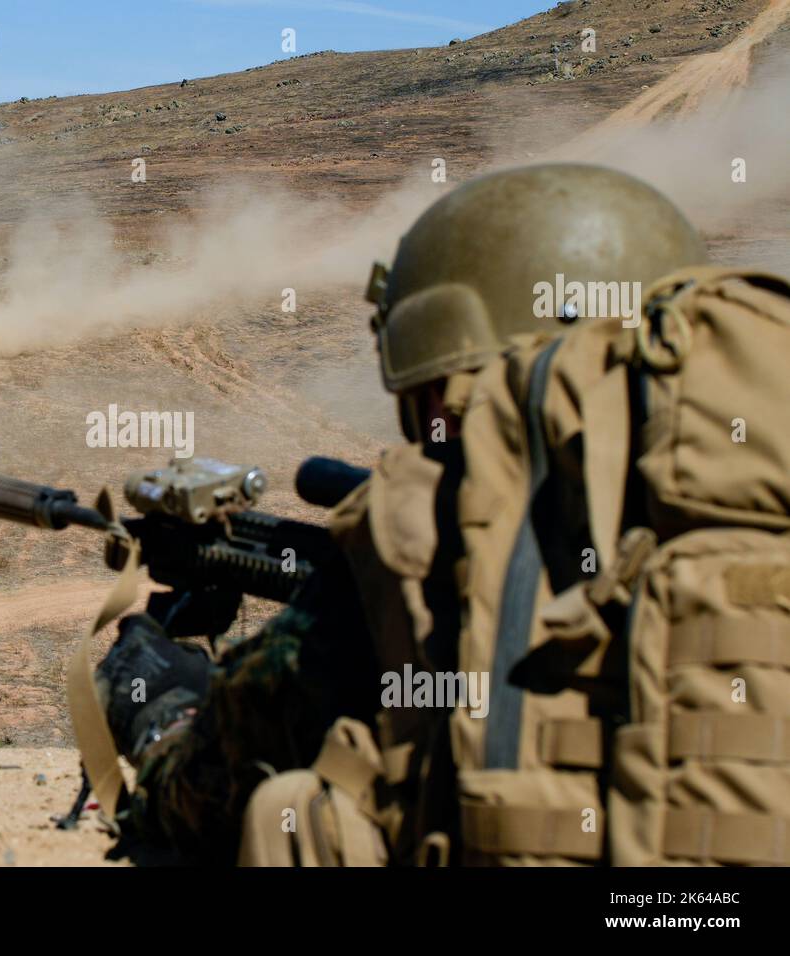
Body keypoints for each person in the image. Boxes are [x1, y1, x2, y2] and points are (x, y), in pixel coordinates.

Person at [94, 162, 719, 865]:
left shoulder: (424, 535)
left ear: (443, 379)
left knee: (289, 818)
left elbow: (200, 794)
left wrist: (163, 714)